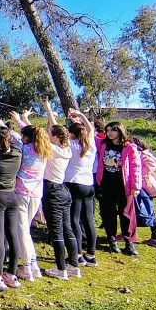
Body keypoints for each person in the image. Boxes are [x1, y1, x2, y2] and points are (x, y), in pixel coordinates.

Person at [9, 110, 52, 281]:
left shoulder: (24, 149)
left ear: (27, 138)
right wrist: (20, 121)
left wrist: (15, 123)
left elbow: (15, 136)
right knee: (25, 230)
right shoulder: (43, 150)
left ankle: (27, 267)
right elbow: (30, 131)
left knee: (22, 231)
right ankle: (33, 265)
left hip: (21, 193)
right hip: (36, 194)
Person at [42, 99, 80, 280]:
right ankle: (74, 265)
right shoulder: (66, 149)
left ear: (55, 137)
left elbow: (43, 135)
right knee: (67, 229)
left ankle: (61, 269)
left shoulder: (54, 149)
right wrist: (49, 111)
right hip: (63, 191)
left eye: (50, 135)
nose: (48, 135)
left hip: (52, 191)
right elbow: (54, 128)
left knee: (56, 231)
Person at [96, 121, 142, 257]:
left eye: (113, 130)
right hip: (107, 183)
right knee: (108, 212)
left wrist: (136, 186)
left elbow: (135, 167)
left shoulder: (129, 147)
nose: (109, 133)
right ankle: (112, 240)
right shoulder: (103, 144)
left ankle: (129, 242)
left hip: (124, 184)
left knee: (126, 213)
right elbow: (90, 136)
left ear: (120, 131)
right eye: (108, 130)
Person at [0, 113, 23, 290]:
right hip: (13, 196)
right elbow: (9, 138)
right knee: (13, 234)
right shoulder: (17, 152)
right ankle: (12, 273)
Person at [64, 108, 98, 265]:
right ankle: (91, 254)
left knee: (74, 220)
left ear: (71, 134)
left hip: (74, 184)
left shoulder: (71, 145)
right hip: (89, 185)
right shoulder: (90, 144)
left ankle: (77, 254)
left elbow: (61, 134)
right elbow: (90, 130)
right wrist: (80, 116)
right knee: (89, 220)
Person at [131, 136, 156, 247]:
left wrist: (141, 174)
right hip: (143, 185)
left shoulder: (143, 155)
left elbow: (152, 164)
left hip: (144, 186)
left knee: (143, 209)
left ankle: (154, 236)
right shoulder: (142, 154)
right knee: (142, 208)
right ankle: (154, 236)